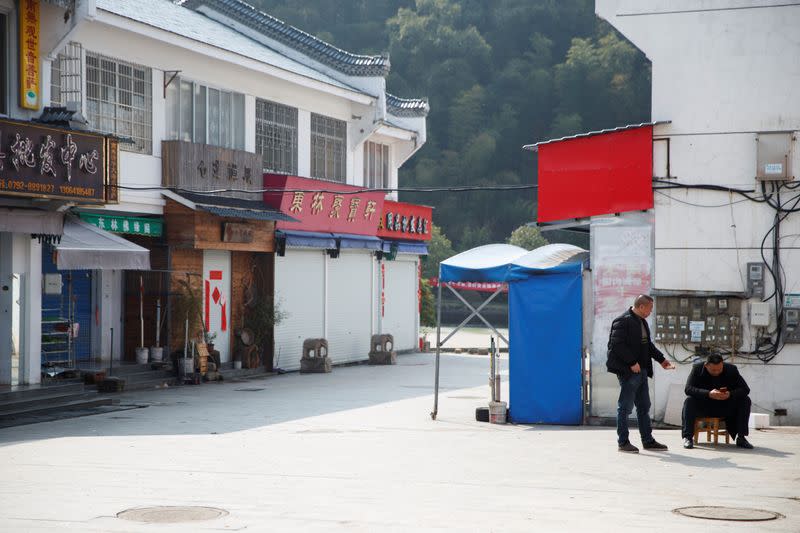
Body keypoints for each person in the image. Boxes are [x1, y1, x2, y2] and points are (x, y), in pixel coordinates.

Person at [607, 294, 676, 453]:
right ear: (641, 307)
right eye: (650, 309)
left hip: (642, 371)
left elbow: (647, 345)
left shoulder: (642, 322)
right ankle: (623, 442)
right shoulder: (622, 321)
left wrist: (662, 360)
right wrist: (631, 362)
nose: (651, 312)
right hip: (629, 372)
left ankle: (648, 441)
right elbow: (616, 345)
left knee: (644, 406)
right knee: (625, 407)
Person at [681, 354, 753, 449]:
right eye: (713, 370)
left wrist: (730, 394)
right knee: (689, 401)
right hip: (705, 406)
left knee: (745, 400)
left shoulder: (731, 369)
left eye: (719, 369)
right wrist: (708, 393)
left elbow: (745, 389)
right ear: (706, 365)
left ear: (722, 364)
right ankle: (688, 438)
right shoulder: (697, 368)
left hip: (725, 406)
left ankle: (741, 438)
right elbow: (688, 389)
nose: (717, 372)